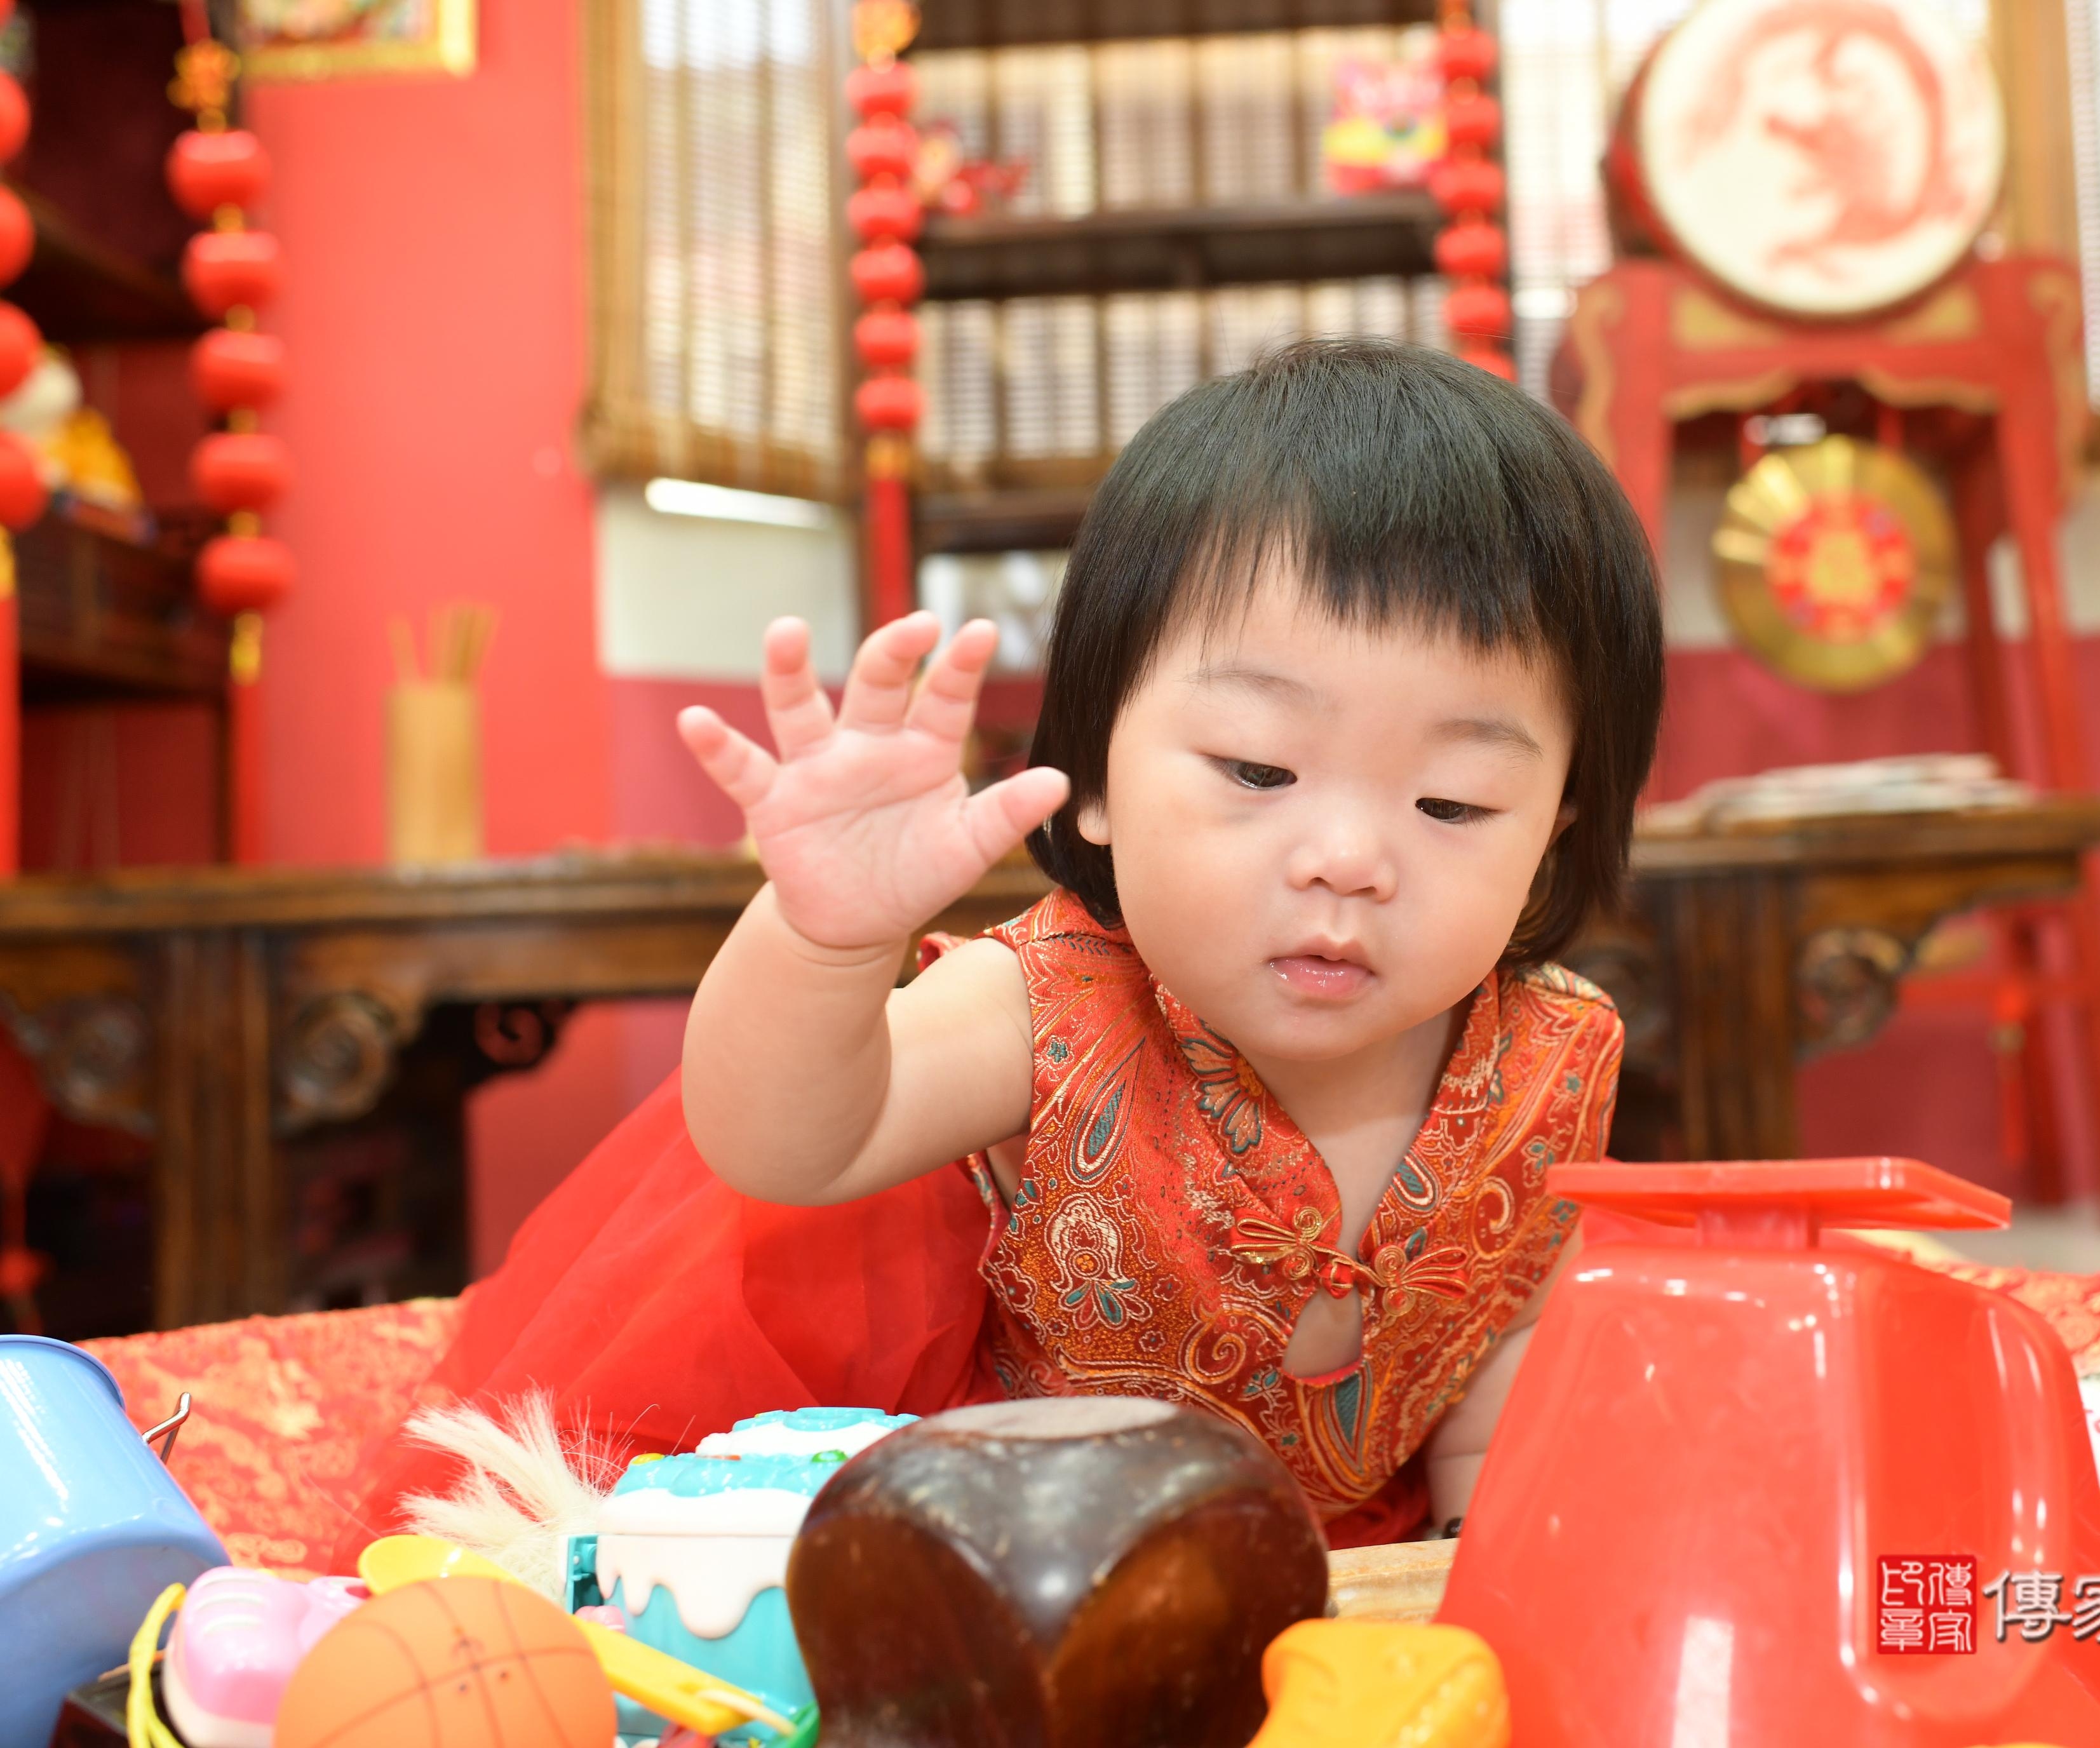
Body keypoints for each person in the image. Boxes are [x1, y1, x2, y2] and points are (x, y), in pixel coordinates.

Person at [349, 339, 1663, 1552]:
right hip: (985, 1548)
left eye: (1453, 804)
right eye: (1259, 767)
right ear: (1090, 774)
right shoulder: (1054, 1008)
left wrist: (1478, 1553)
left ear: (1553, 829)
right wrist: (826, 937)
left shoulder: (1551, 1058)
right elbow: (786, 1141)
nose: (1346, 856)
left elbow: (1503, 1345)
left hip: (1313, 1559)